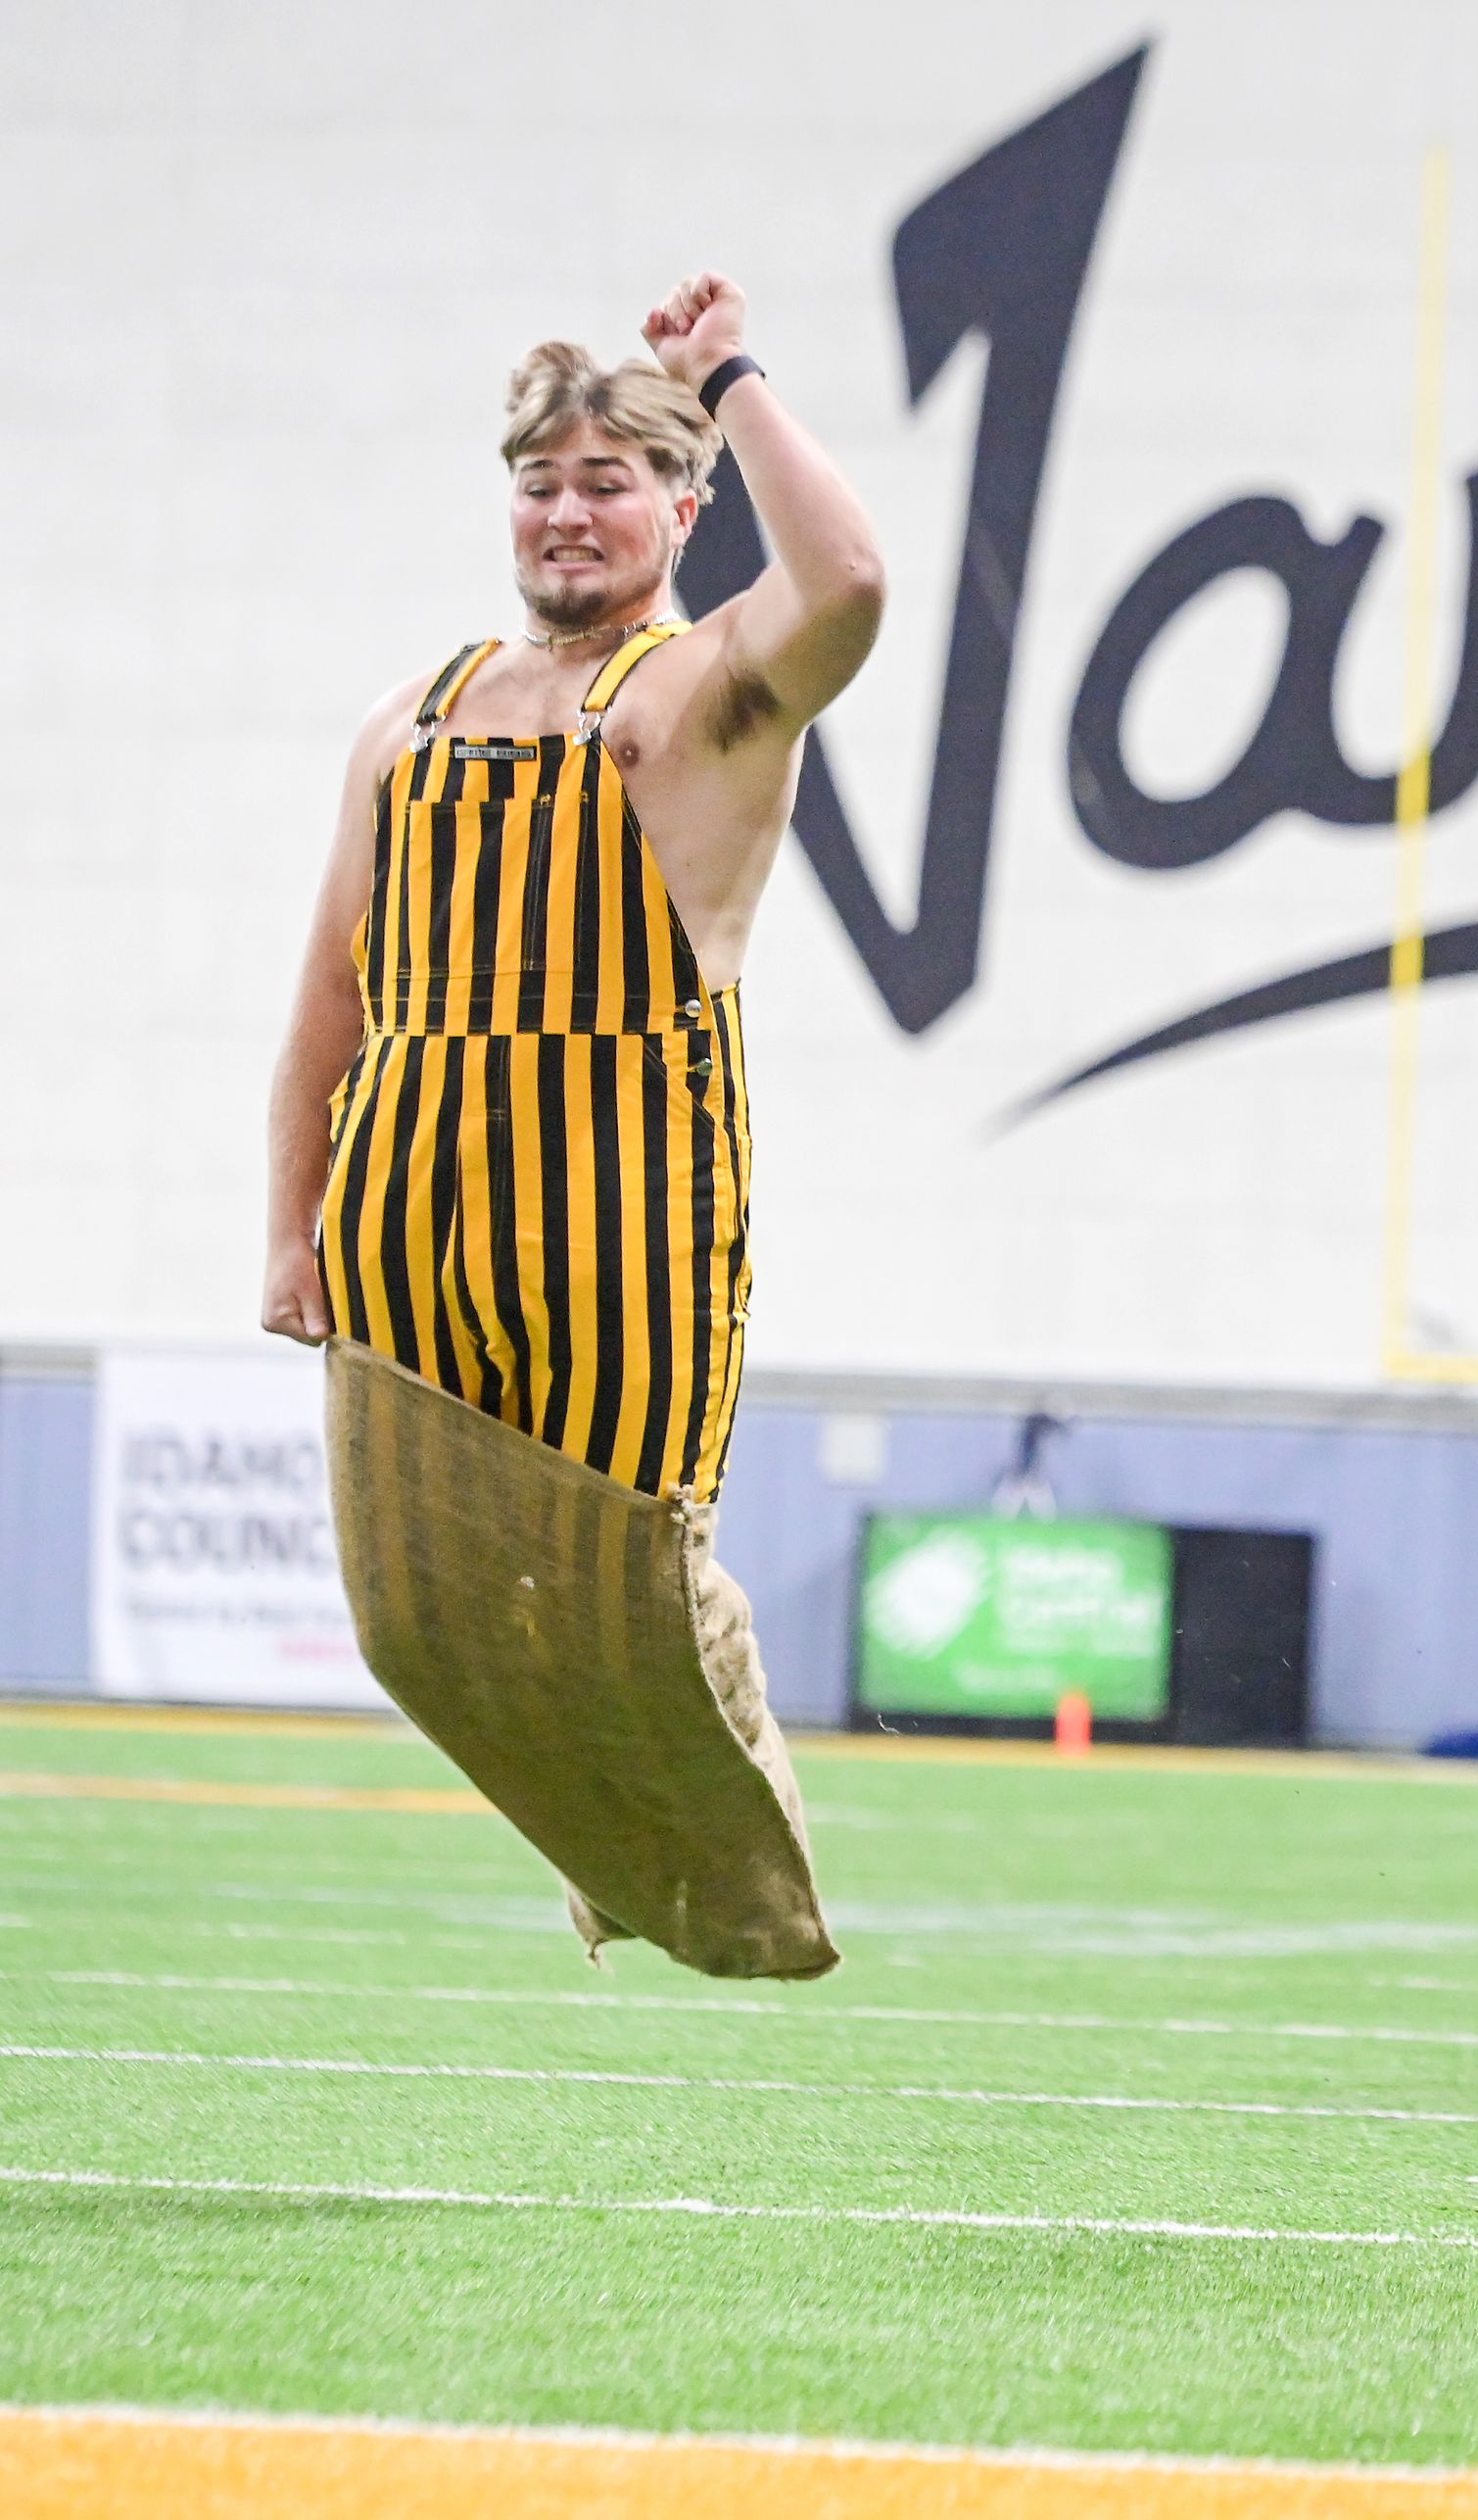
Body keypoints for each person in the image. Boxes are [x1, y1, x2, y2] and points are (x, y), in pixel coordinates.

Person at [260, 280, 886, 1976]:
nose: (567, 508)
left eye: (611, 477)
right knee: (414, 1623)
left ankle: (736, 1883)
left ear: (684, 509)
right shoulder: (417, 717)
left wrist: (730, 380)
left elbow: (852, 582)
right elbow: (334, 983)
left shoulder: (701, 693)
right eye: (541, 477)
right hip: (405, 1205)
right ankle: (605, 1832)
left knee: (626, 1587)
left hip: (628, 1211)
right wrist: (291, 1214)